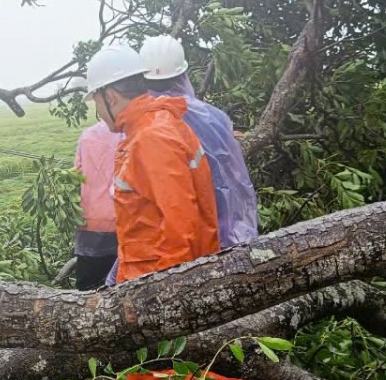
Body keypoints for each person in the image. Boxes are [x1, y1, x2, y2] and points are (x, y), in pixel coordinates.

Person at [85, 45, 219, 283]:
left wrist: (164, 294)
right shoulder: (149, 128)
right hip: (146, 276)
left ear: (110, 97)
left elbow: (180, 226)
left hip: (155, 282)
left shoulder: (151, 138)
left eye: (96, 104)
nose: (99, 114)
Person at [139, 35, 258, 248]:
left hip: (168, 245)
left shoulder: (139, 124)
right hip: (225, 234)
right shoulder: (215, 117)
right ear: (183, 74)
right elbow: (235, 178)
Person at [73, 109, 123, 290]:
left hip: (91, 223)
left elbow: (76, 175)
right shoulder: (132, 133)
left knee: (88, 290)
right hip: (124, 221)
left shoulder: (87, 136)